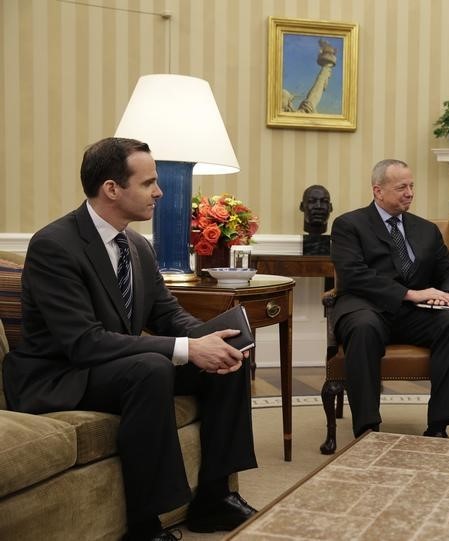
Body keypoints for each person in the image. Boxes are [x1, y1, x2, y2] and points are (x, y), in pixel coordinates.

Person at [2, 138, 259, 540]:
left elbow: (166, 313)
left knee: (226, 357)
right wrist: (188, 349)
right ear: (112, 189)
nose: (159, 192)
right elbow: (84, 343)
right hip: (61, 375)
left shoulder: (137, 245)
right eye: (149, 183)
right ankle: (145, 523)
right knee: (152, 368)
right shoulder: (54, 245)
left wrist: (213, 337)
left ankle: (213, 498)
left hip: (114, 367)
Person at [330, 159, 449, 438]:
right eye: (401, 187)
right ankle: (368, 427)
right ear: (378, 191)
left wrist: (446, 295)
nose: (409, 193)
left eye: (411, 186)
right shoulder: (349, 225)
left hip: (413, 314)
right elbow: (353, 275)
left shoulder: (426, 230)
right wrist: (410, 293)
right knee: (364, 328)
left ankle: (439, 424)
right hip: (365, 307)